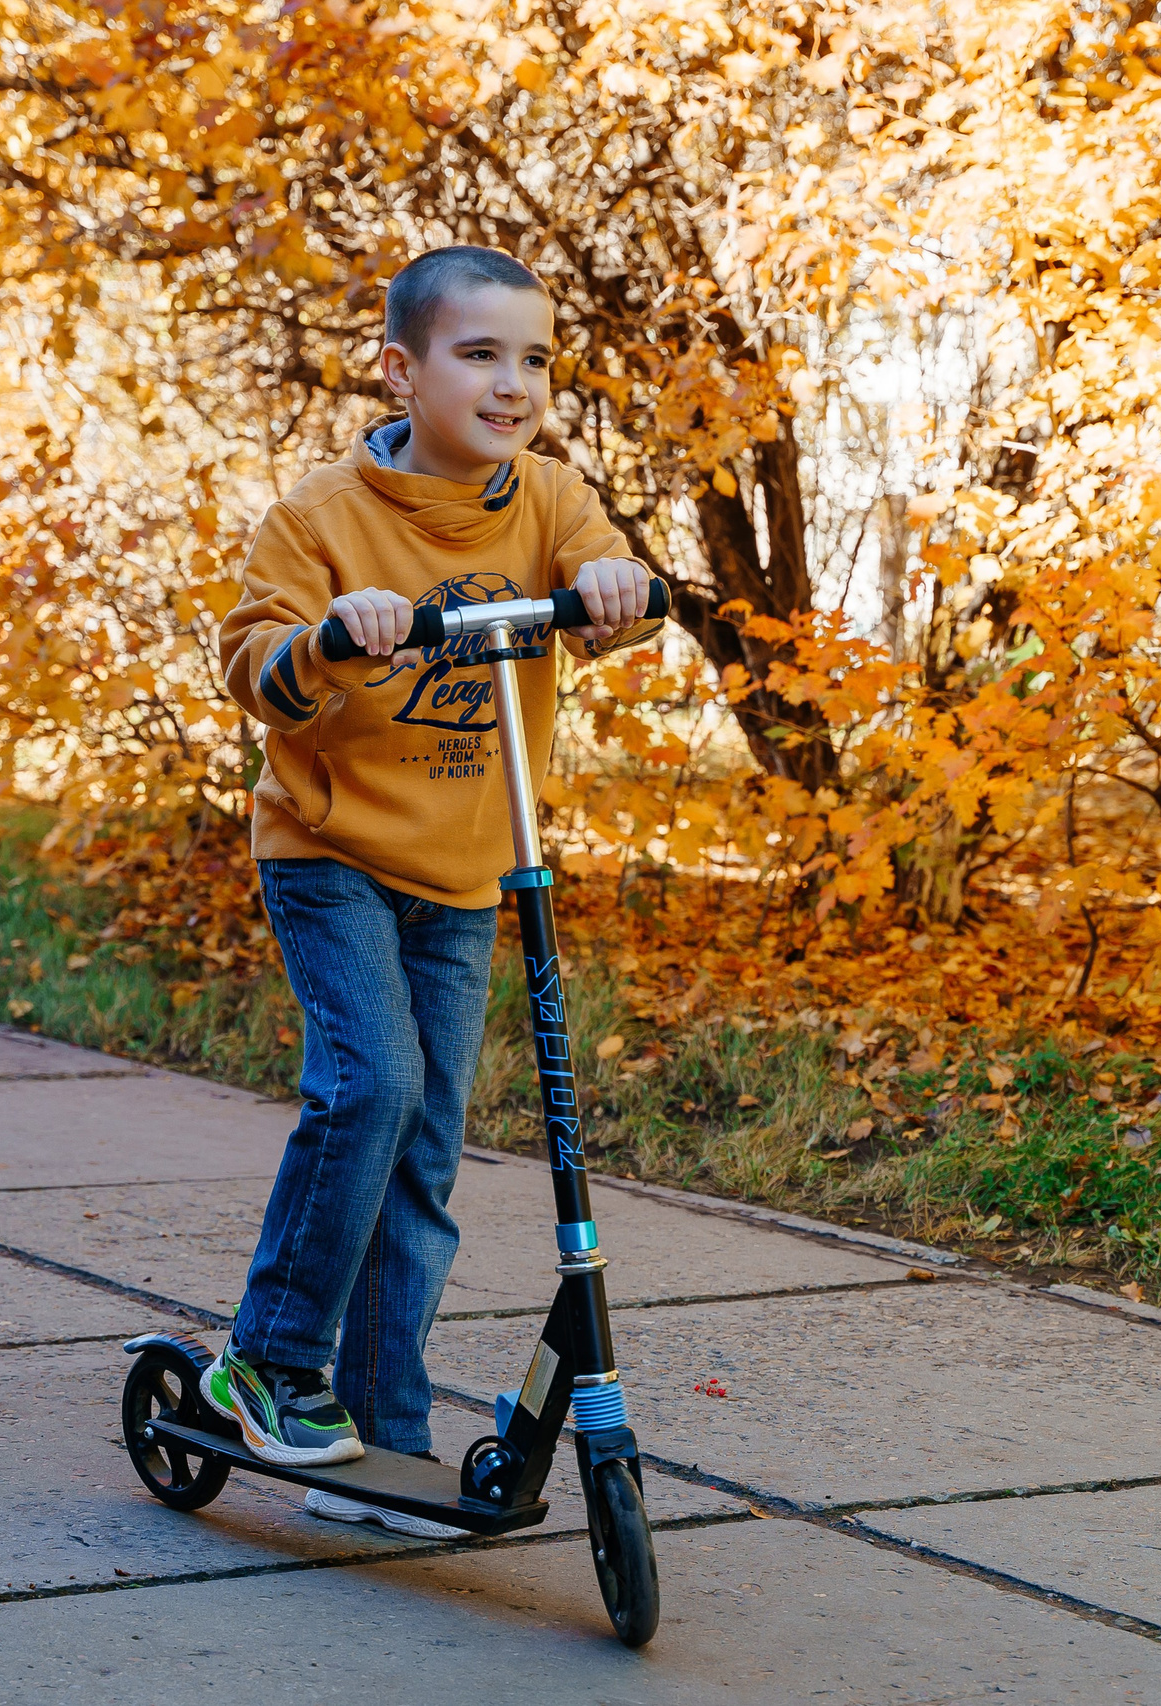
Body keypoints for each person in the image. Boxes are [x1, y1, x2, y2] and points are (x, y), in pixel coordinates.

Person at [209, 246, 661, 1538]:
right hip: (332, 853)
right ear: (403, 368)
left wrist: (619, 590)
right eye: (482, 354)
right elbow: (252, 659)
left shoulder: (551, 498)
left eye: (536, 360)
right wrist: (328, 636)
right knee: (375, 1085)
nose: (513, 384)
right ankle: (270, 1355)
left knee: (427, 1147)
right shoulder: (323, 516)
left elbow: (600, 574)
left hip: (466, 871)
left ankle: (387, 1432)